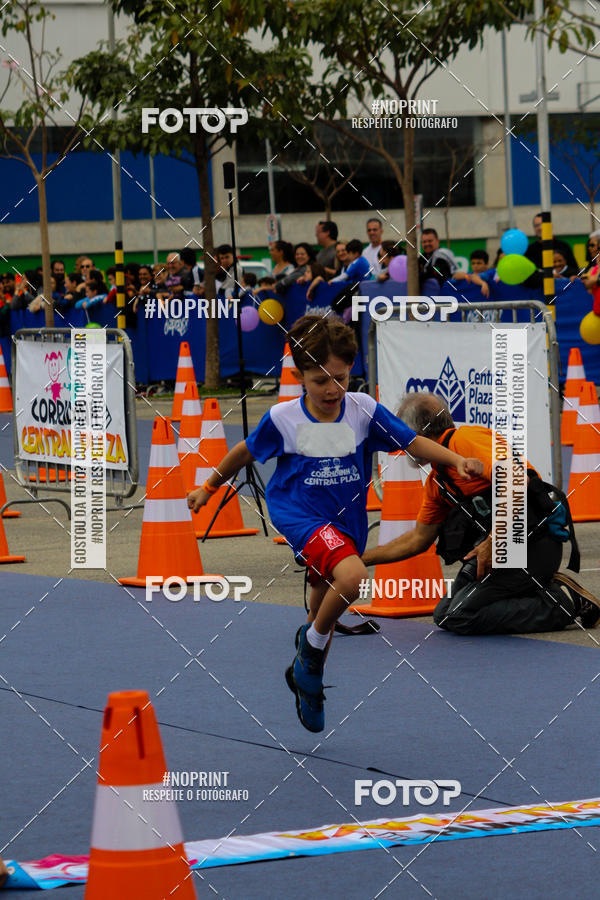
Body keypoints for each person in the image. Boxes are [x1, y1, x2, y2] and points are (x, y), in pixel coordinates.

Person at [187, 316, 484, 732]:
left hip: (346, 520)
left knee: (320, 606)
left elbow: (413, 442)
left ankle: (308, 676)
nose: (331, 389)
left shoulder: (363, 410)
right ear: (299, 377)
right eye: (319, 380)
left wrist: (456, 460)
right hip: (299, 514)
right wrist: (209, 486)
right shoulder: (284, 418)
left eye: (340, 378)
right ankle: (308, 655)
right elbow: (244, 452)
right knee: (353, 577)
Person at [363, 392, 600, 635]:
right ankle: (534, 589)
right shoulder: (437, 482)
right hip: (497, 553)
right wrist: (360, 558)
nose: (402, 445)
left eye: (405, 436)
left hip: (532, 546)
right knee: (444, 614)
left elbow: (515, 480)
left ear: (420, 432)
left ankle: (563, 604)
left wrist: (491, 542)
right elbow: (417, 540)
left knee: (460, 615)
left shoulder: (465, 440)